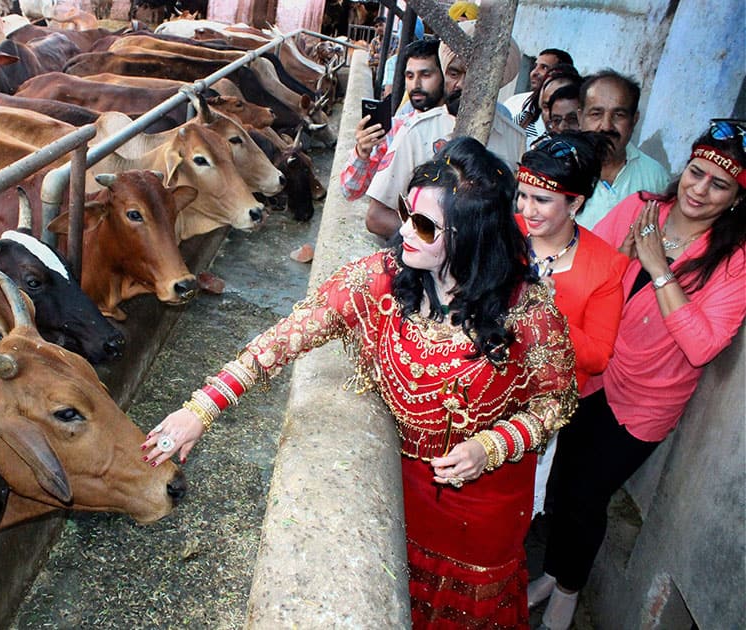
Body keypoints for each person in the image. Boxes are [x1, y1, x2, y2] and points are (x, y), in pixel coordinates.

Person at [143, 138, 579, 627]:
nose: (405, 231)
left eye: (424, 225)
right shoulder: (381, 279)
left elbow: (556, 402)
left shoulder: (531, 314)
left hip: (484, 505)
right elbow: (286, 338)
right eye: (406, 212)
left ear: (471, 235)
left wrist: (493, 446)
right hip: (403, 488)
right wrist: (200, 409)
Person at [529, 120, 746, 630]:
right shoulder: (641, 208)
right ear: (683, 170)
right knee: (561, 482)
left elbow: (702, 345)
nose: (699, 189)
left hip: (645, 402)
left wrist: (659, 268)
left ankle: (567, 594)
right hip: (590, 370)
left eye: (720, 185)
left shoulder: (733, 262)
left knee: (586, 496)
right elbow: (581, 273)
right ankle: (554, 573)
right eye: (695, 173)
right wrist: (625, 254)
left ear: (737, 199)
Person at [515, 132, 628, 515]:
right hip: (474, 386)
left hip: (538, 409)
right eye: (523, 195)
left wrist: (550, 310)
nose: (527, 209)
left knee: (508, 508)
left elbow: (597, 357)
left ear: (575, 202)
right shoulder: (504, 232)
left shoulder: (605, 266)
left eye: (542, 200)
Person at [362, 24, 525, 239]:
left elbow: (516, 218)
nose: (464, 84)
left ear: (499, 80)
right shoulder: (416, 132)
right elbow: (377, 216)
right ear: (444, 74)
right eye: (455, 73)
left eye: (479, 76)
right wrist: (440, 243)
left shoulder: (515, 139)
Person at [341, 39, 445, 203]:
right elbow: (350, 191)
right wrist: (362, 153)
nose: (416, 84)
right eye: (410, 76)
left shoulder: (453, 127)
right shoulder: (395, 129)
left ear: (444, 76)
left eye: (426, 75)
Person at [576, 70, 669, 230]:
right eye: (596, 114)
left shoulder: (655, 177)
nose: (606, 126)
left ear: (634, 120)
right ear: (580, 117)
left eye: (618, 115)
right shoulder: (560, 168)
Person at [504, 48, 574, 139]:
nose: (534, 72)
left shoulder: (564, 121)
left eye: (544, 67)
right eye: (535, 66)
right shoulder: (514, 102)